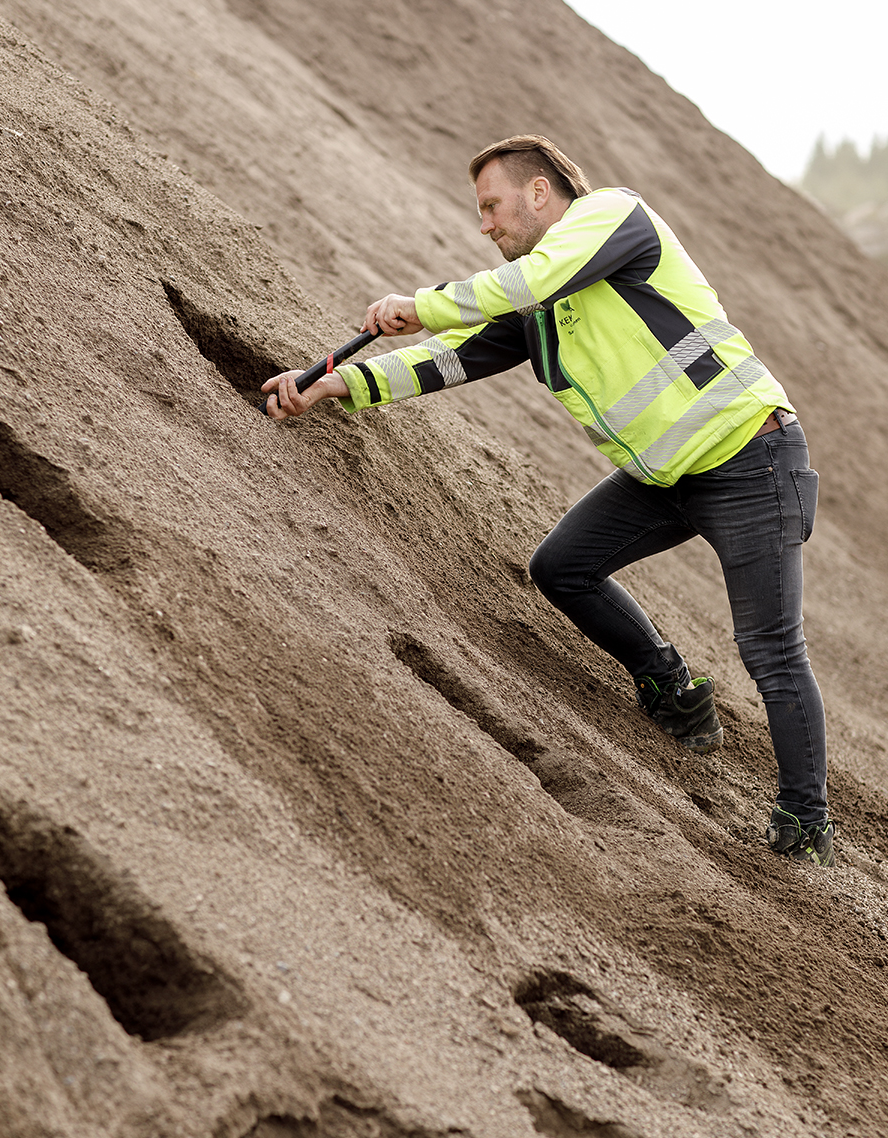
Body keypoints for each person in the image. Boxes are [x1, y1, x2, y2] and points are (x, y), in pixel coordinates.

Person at [261, 134, 834, 867]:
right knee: (563, 567)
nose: (485, 225)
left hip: (751, 462)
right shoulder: (538, 300)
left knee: (770, 650)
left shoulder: (614, 218)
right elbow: (453, 359)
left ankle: (805, 821)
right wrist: (334, 384)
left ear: (539, 193)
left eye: (492, 206)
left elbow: (521, 286)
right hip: (668, 478)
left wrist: (423, 304)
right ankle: (672, 686)